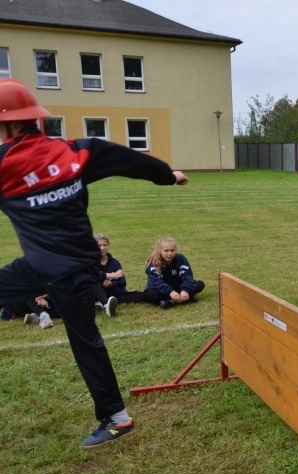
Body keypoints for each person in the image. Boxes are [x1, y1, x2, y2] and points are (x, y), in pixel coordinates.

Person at [0, 78, 189, 448]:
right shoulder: (73, 152)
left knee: (85, 340)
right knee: (85, 339)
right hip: (73, 267)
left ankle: (117, 420)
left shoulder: (3, 164)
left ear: (6, 125)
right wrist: (167, 175)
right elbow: (126, 158)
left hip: (60, 273)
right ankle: (117, 418)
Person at [143, 237, 205, 308]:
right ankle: (187, 298)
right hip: (164, 290)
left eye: (172, 250)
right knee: (150, 294)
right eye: (166, 251)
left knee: (200, 284)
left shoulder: (180, 258)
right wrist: (170, 291)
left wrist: (185, 289)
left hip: (179, 287)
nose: (169, 253)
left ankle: (170, 302)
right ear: (160, 251)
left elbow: (187, 276)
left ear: (175, 250)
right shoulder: (153, 262)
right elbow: (153, 282)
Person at [95, 233, 146, 316]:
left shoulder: (114, 263)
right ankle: (105, 305)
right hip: (91, 293)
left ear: (108, 246)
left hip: (112, 294)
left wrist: (111, 284)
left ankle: (101, 303)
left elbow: (122, 286)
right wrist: (112, 275)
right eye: (99, 245)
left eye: (105, 245)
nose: (102, 248)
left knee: (141, 296)